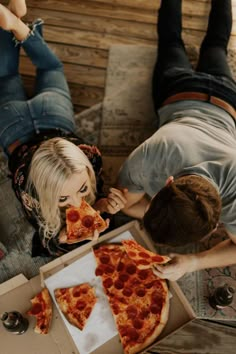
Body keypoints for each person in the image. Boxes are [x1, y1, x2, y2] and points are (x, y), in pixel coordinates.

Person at [117, 0, 236, 281]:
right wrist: (194, 261)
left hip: (224, 99)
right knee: (179, 43)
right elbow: (128, 205)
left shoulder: (148, 158)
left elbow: (125, 203)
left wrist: (191, 261)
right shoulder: (150, 156)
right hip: (179, 88)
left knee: (215, 45)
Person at [0, 0, 127, 257]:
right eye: (63, 199)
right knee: (9, 76)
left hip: (51, 117)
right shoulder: (30, 190)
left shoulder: (90, 156)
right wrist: (99, 205)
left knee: (43, 69)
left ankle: (16, 24)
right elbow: (45, 245)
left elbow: (47, 243)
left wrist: (63, 237)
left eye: (81, 190)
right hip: (13, 124)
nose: (78, 204)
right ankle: (12, 24)